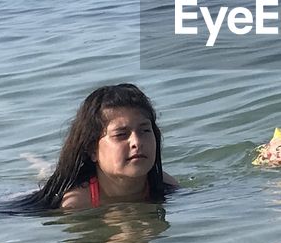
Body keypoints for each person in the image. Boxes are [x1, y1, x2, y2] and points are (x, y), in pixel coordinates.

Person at [13, 84, 177, 211]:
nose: (137, 141)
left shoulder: (163, 184)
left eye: (145, 130)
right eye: (121, 134)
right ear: (92, 150)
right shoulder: (75, 204)